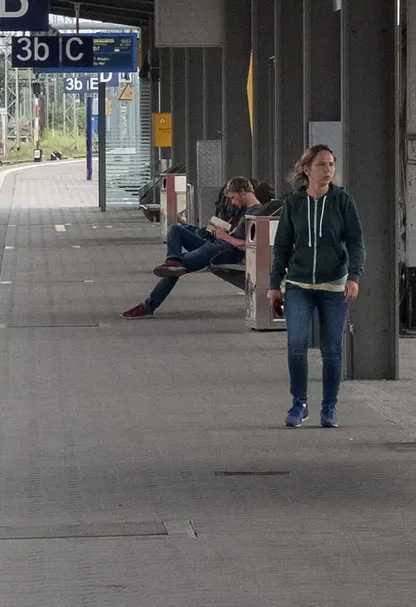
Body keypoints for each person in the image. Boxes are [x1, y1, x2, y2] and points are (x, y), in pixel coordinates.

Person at [265, 144, 364, 428]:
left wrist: (354, 276)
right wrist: (275, 284)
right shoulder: (294, 203)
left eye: (332, 164)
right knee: (296, 344)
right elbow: (282, 246)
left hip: (334, 287)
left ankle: (329, 408)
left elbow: (357, 243)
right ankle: (299, 404)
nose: (328, 170)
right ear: (306, 169)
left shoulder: (342, 201)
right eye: (322, 165)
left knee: (331, 349)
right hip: (298, 285)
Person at [121, 177, 262, 318]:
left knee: (174, 270)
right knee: (175, 229)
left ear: (243, 192)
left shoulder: (256, 213)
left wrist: (225, 236)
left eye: (233, 197)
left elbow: (249, 244)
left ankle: (148, 305)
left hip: (226, 251)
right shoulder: (246, 210)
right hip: (219, 244)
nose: (233, 202)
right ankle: (173, 259)